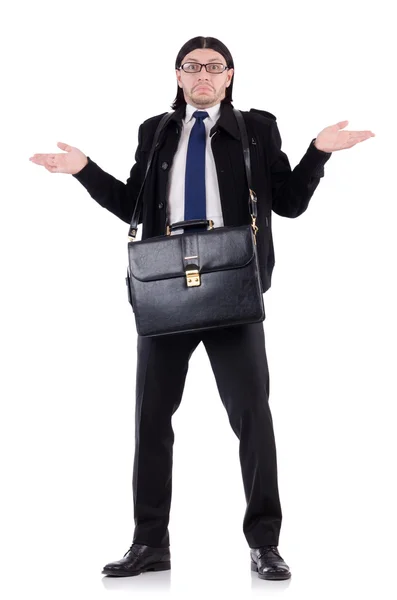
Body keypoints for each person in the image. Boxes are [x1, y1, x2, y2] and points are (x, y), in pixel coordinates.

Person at [29, 36, 375, 581]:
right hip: (166, 285)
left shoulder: (256, 129)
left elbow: (288, 203)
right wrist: (82, 168)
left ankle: (265, 543)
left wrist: (319, 151)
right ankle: (150, 543)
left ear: (230, 76)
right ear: (178, 75)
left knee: (253, 418)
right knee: (150, 418)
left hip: (233, 284)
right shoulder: (157, 130)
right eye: (192, 68)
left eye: (214, 68)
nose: (203, 76)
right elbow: (131, 204)